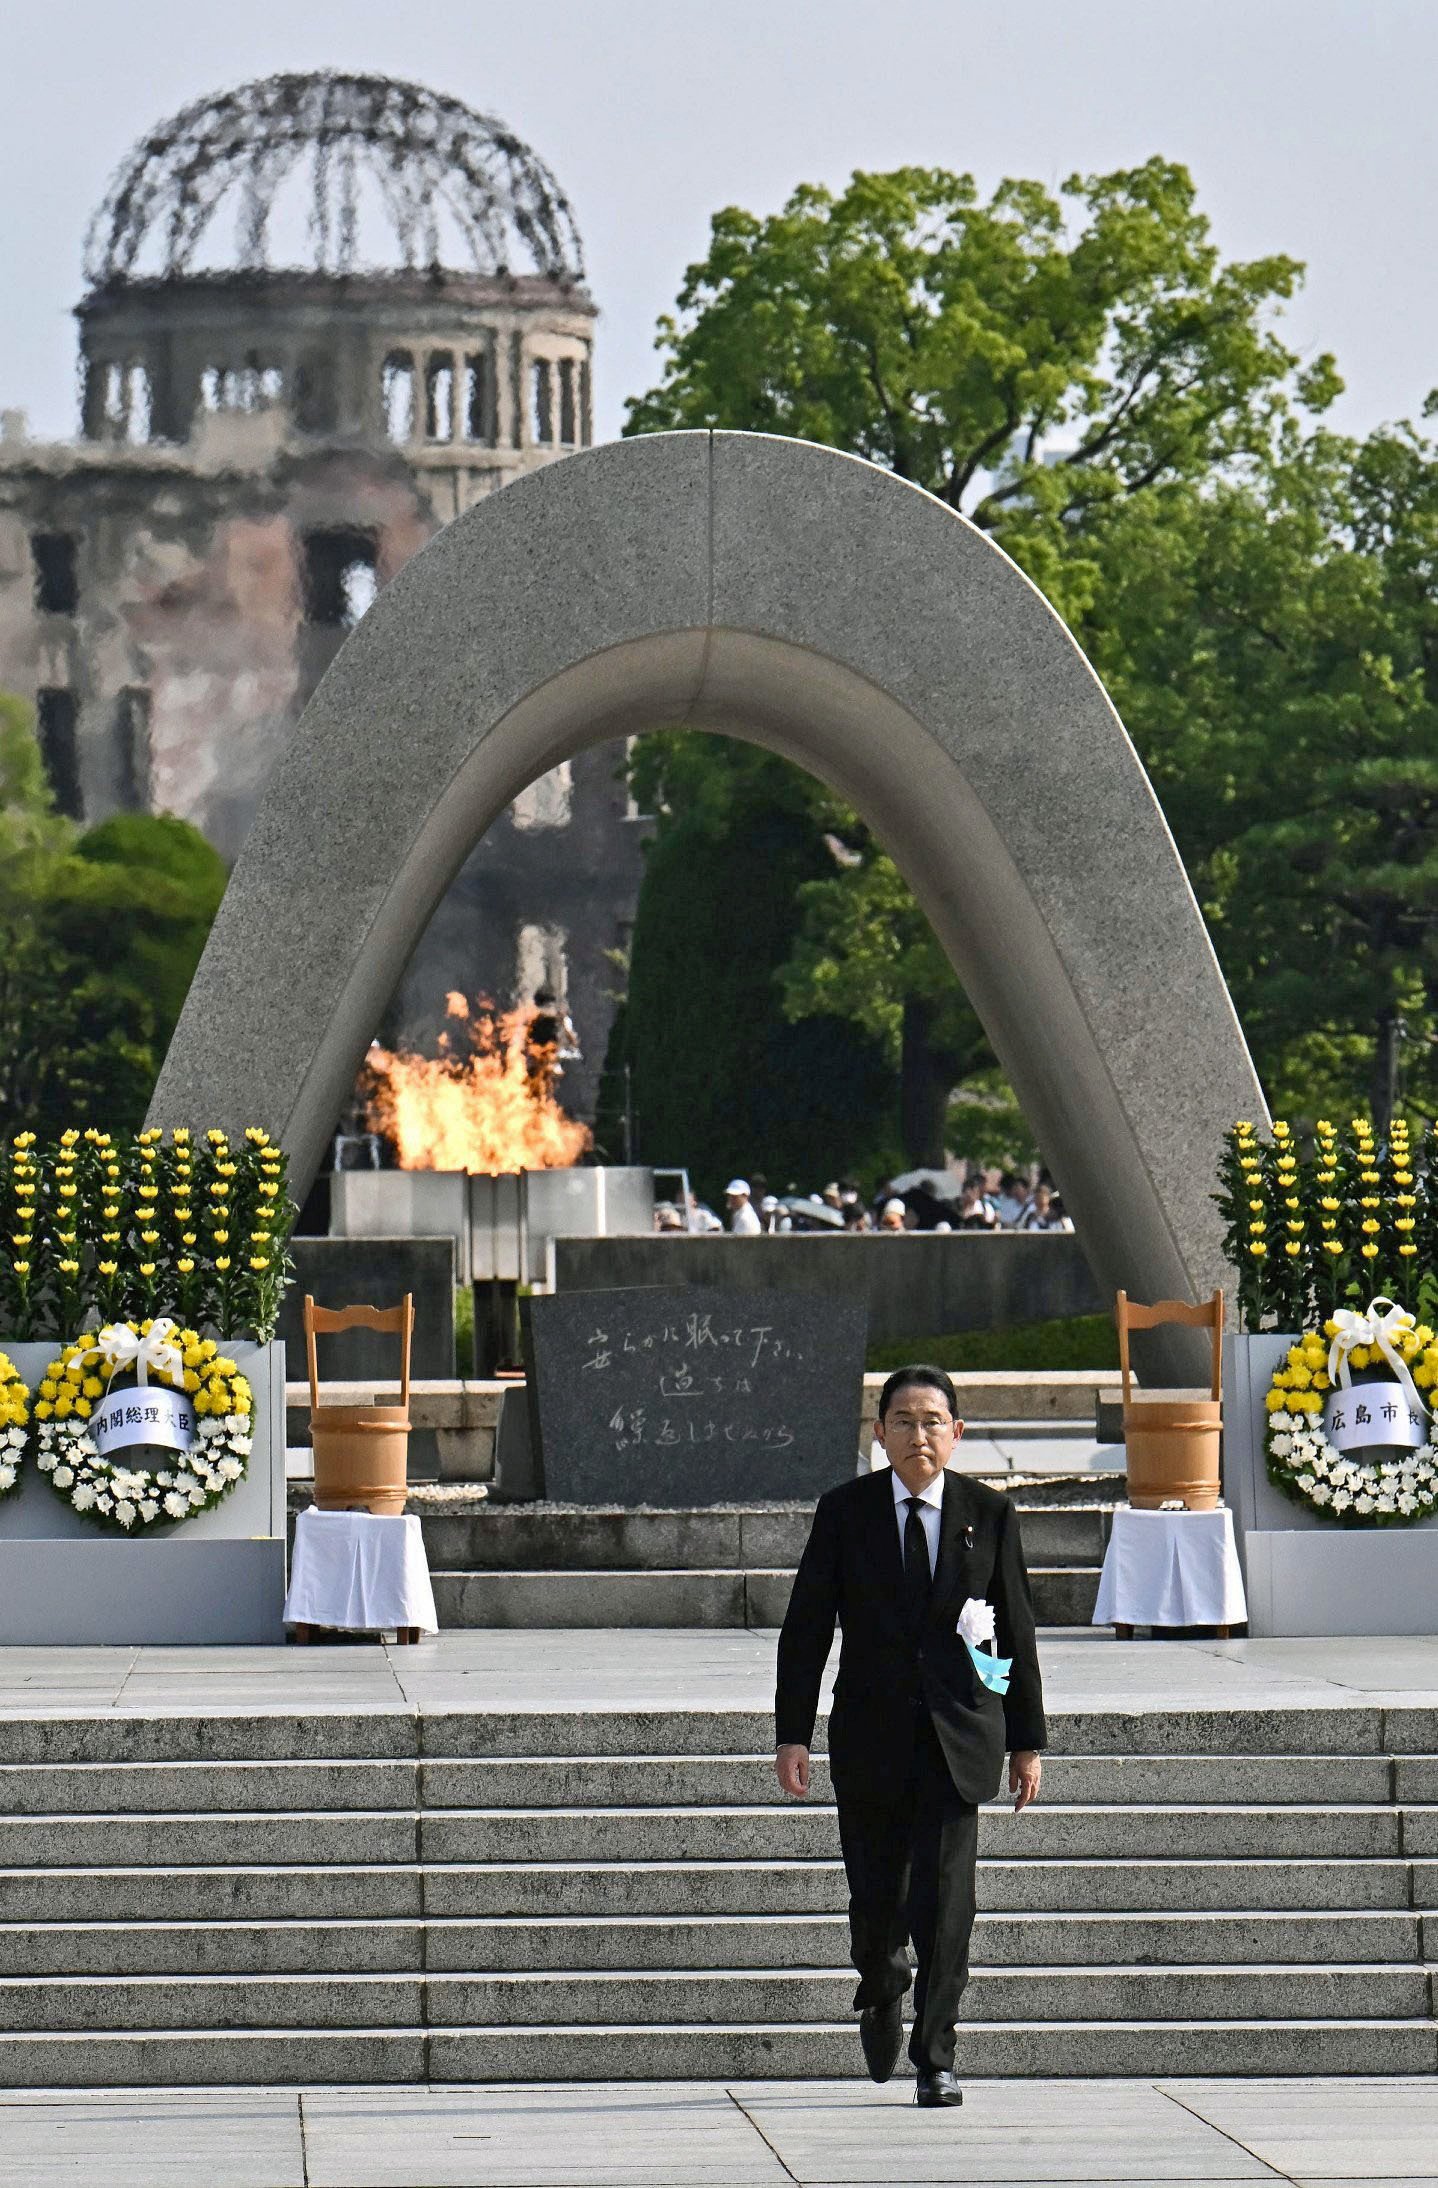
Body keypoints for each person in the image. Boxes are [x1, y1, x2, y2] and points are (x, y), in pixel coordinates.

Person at [775, 1365, 1046, 2107]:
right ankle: (883, 1978)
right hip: (869, 1734)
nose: (918, 1434)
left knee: (948, 1903)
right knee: (874, 1901)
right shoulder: (845, 1512)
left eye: (933, 1420)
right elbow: (806, 1630)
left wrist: (1026, 1741)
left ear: (956, 1433)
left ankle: (937, 2057)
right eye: (903, 1420)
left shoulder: (988, 1515)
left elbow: (1013, 1631)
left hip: (960, 1738)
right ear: (879, 1434)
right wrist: (792, 1734)